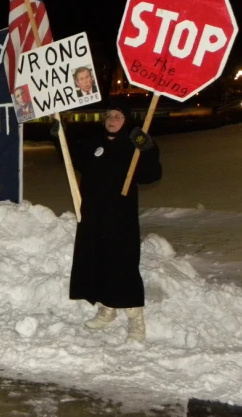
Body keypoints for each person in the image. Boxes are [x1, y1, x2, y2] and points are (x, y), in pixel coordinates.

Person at [52, 99, 161, 342]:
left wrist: (148, 149)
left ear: (127, 121)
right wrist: (59, 135)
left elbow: (152, 174)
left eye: (118, 117)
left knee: (123, 266)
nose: (112, 120)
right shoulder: (94, 144)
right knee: (98, 261)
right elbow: (72, 157)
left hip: (120, 218)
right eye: (109, 116)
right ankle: (107, 309)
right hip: (93, 216)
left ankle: (136, 320)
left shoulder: (133, 146)